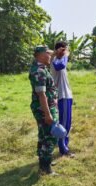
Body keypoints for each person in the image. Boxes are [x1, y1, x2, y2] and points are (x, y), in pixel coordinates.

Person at [29, 45, 58, 174]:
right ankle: (46, 168)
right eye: (48, 54)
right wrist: (47, 114)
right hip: (44, 109)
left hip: (46, 107)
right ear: (41, 55)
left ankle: (44, 161)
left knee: (43, 135)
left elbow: (46, 92)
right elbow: (42, 95)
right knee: (50, 137)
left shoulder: (41, 68)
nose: (50, 56)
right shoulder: (39, 72)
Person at [50, 41, 74, 157]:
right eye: (65, 49)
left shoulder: (60, 58)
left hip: (67, 95)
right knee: (63, 123)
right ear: (61, 50)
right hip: (61, 95)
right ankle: (62, 148)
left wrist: (63, 55)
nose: (67, 52)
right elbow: (60, 66)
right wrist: (64, 55)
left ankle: (65, 144)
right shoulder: (55, 60)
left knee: (68, 122)